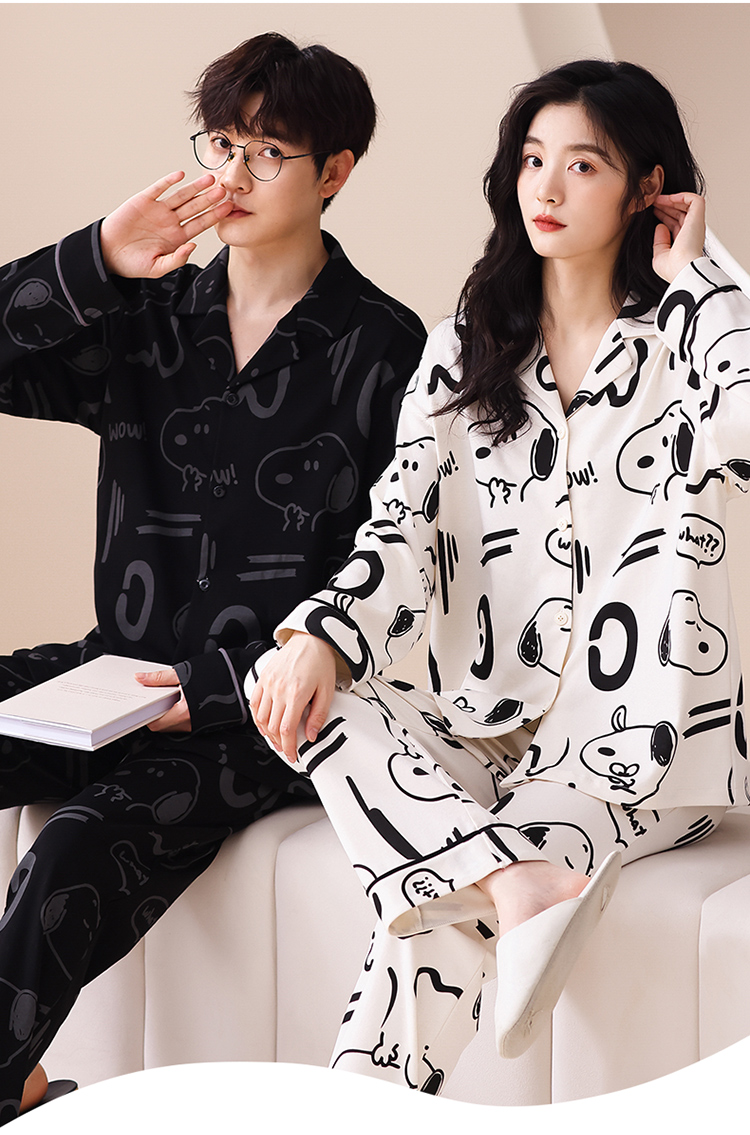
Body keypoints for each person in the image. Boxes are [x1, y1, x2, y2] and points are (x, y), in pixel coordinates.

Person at [249, 58, 750, 1093]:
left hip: (637, 742)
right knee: (302, 683)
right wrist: (320, 637)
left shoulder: (690, 339)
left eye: (584, 165)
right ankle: (514, 880)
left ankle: (347, 1109)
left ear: (646, 188)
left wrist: (702, 279)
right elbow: (398, 527)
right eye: (531, 160)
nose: (547, 188)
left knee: (433, 914)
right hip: (487, 721)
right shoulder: (465, 352)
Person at [0, 31, 426, 1120]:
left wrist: (225, 691)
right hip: (117, 675)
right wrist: (100, 255)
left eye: (268, 152)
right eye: (221, 143)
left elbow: (404, 574)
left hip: (262, 716)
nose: (232, 174)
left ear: (335, 172)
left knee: (75, 846)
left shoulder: (386, 349)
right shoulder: (146, 316)